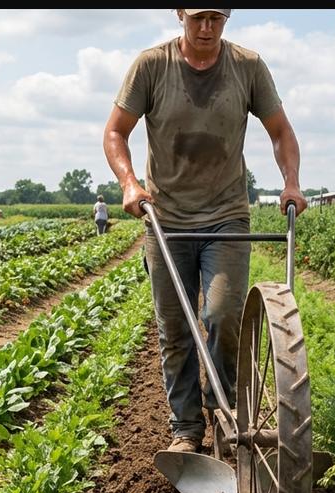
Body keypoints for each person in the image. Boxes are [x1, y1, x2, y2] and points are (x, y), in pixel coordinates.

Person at [102, 8, 307, 454]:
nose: (206, 27)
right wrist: (130, 184)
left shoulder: (248, 67)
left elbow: (280, 131)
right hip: (166, 217)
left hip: (227, 214)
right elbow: (116, 132)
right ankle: (186, 430)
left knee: (222, 315)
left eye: (216, 16)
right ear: (179, 14)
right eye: (197, 17)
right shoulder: (151, 66)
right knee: (174, 327)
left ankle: (224, 416)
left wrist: (291, 182)